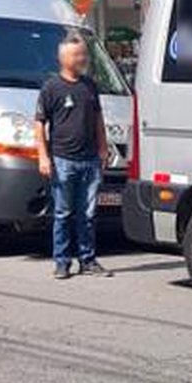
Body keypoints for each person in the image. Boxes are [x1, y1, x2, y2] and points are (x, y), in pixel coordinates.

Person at [35, 33, 114, 280]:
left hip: (89, 160)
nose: (83, 58)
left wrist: (103, 147)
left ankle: (88, 260)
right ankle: (62, 261)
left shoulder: (89, 86)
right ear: (64, 58)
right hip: (63, 160)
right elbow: (39, 124)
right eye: (77, 54)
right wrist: (43, 157)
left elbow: (98, 119)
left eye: (83, 54)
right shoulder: (51, 88)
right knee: (63, 213)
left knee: (88, 214)